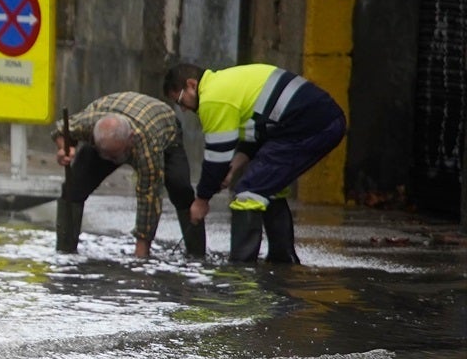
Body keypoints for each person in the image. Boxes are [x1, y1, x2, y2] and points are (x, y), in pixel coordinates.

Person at [162, 61, 347, 264]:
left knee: (248, 192)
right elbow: (255, 135)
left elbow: (217, 156)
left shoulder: (212, 99)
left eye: (181, 101)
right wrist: (233, 168)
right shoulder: (224, 84)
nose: (184, 109)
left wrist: (202, 200)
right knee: (267, 187)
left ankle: (240, 269)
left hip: (311, 125)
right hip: (313, 121)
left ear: (192, 85)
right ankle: (282, 260)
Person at [53, 91, 207, 260]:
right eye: (106, 156)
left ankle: (197, 255)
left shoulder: (147, 146)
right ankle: (65, 250)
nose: (111, 161)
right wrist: (65, 149)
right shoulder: (89, 123)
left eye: (115, 156)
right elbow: (62, 129)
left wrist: (140, 257)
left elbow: (148, 198)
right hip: (114, 121)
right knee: (73, 187)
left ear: (130, 139)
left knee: (180, 188)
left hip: (163, 127)